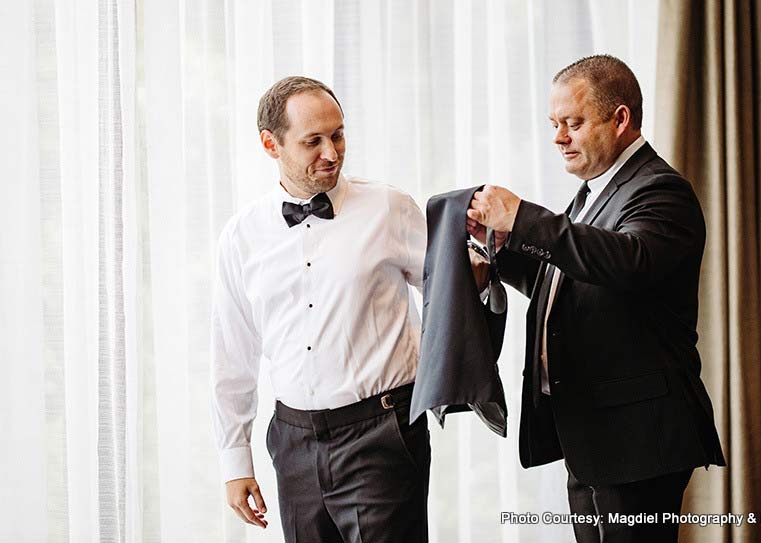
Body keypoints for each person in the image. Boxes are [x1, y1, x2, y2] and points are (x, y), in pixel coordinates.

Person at [466, 55, 726, 543]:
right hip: (594, 433)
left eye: (573, 123)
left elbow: (627, 261)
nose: (558, 137)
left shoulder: (661, 189)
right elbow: (571, 279)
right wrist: (498, 249)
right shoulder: (594, 193)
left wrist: (523, 217)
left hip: (638, 439)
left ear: (620, 119)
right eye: (554, 124)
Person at [210, 76, 430, 542]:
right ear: (272, 144)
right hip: (291, 443)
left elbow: (450, 296)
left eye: (338, 135)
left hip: (382, 434)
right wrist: (235, 460)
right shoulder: (241, 235)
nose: (331, 152)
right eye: (313, 141)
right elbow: (233, 353)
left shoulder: (390, 208)